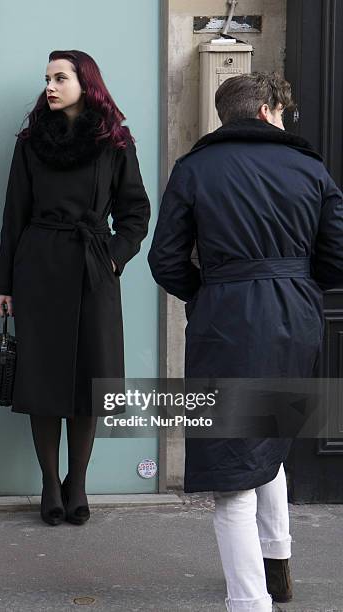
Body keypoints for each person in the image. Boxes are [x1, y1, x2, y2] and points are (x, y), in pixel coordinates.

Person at [148, 72, 343, 610]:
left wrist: (210, 295)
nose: (285, 120)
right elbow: (337, 259)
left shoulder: (194, 169)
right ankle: (276, 567)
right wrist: (296, 289)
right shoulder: (311, 168)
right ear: (266, 111)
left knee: (231, 466)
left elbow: (164, 260)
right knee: (269, 434)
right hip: (296, 319)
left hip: (227, 319)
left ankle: (249, 602)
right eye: (283, 111)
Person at [0, 49, 150, 527]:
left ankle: (76, 482)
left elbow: (136, 212)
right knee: (41, 379)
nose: (51, 87)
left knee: (89, 380)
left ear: (86, 82)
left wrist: (114, 258)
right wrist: (5, 283)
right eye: (47, 78)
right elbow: (12, 215)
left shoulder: (115, 142)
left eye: (61, 77)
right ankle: (49, 484)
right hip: (38, 267)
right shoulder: (30, 143)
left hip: (93, 269)